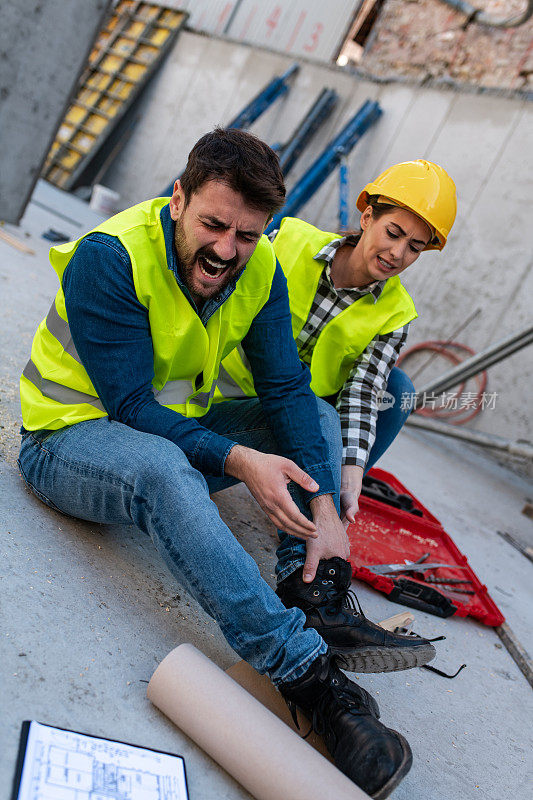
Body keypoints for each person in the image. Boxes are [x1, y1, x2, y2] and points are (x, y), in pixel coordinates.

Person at [18, 129, 434, 797]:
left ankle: (310, 591)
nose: (225, 250)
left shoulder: (259, 263)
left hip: (169, 432)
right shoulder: (112, 256)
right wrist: (241, 461)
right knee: (164, 468)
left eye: (245, 235)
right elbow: (128, 405)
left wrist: (326, 505)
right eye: (213, 225)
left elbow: (285, 388)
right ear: (177, 199)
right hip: (68, 441)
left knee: (313, 418)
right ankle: (312, 681)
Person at [222, 160, 457, 529]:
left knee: (398, 391)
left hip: (307, 409)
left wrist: (351, 470)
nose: (397, 253)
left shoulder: (396, 313)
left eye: (414, 247)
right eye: (393, 233)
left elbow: (363, 392)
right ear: (367, 218)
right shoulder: (290, 240)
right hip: (233, 384)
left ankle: (313, 511)